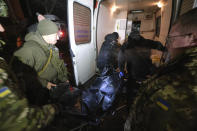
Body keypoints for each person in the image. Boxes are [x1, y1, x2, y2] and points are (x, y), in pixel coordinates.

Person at [124, 7, 197, 131]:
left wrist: (123, 71)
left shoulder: (184, 78)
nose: (168, 45)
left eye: (171, 39)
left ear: (191, 38)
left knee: (130, 91)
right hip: (142, 73)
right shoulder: (179, 68)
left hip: (135, 75)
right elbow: (155, 45)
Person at [14, 17, 69, 90]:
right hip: (43, 89)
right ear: (46, 35)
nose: (58, 38)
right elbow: (23, 75)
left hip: (57, 83)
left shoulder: (52, 47)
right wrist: (45, 84)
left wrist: (64, 79)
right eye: (55, 35)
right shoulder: (29, 50)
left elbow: (59, 64)